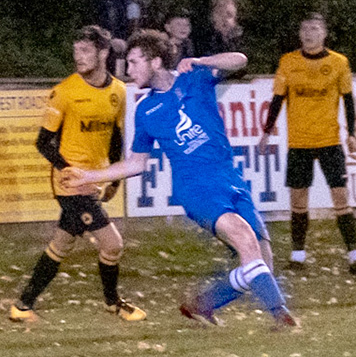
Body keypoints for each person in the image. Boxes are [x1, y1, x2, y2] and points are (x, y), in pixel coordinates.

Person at [67, 31, 296, 328]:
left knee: (261, 261)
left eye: (134, 62)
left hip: (230, 178)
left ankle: (203, 304)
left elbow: (240, 60)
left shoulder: (195, 78)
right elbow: (136, 163)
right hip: (196, 189)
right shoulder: (146, 110)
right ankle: (282, 316)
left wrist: (202, 60)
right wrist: (89, 176)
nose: (128, 70)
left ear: (156, 62)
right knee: (244, 237)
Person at [7, 24, 145, 323]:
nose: (78, 57)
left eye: (85, 51)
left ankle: (22, 306)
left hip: (95, 181)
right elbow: (43, 142)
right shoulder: (65, 92)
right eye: (76, 51)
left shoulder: (118, 91)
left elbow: (115, 136)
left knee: (62, 244)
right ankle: (113, 303)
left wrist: (113, 178)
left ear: (103, 53)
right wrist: (69, 171)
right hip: (69, 184)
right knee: (113, 244)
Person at [262, 13, 356, 276]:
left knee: (341, 198)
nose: (308, 34)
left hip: (329, 141)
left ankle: (355, 258)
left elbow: (348, 100)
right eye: (304, 29)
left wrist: (352, 132)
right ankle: (297, 257)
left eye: (313, 29)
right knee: (298, 201)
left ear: (324, 34)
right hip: (299, 142)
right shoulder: (288, 62)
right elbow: (278, 99)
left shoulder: (338, 63)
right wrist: (267, 130)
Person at [92, 0, 149, 75]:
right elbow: (90, 27)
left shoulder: (141, 0)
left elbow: (146, 28)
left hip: (133, 60)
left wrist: (130, 43)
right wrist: (110, 40)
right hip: (103, 58)